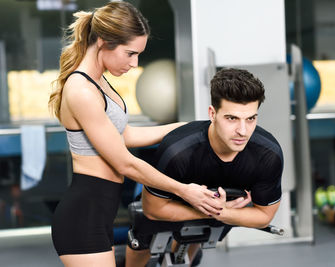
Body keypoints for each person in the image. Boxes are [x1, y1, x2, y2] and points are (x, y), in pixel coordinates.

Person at [48, 2, 222, 267]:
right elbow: (124, 162)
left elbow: (125, 135)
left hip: (100, 211)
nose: (134, 63)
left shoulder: (100, 82)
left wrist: (186, 126)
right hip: (83, 216)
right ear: (104, 42)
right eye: (130, 53)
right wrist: (185, 191)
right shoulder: (81, 89)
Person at [125, 68, 284, 267]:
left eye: (250, 118)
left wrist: (220, 213)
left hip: (220, 214)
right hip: (169, 206)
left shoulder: (267, 154)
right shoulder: (179, 151)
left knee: (196, 240)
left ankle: (188, 255)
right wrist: (213, 210)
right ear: (212, 113)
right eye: (231, 118)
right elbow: (152, 209)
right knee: (144, 236)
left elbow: (264, 216)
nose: (243, 131)